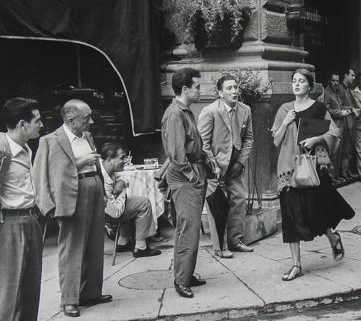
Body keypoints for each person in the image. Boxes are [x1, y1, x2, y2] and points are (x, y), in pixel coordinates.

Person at [271, 69, 355, 281]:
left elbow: (334, 132)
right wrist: (285, 123)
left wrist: (316, 140)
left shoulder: (318, 108)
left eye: (301, 81)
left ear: (310, 86)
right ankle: (296, 265)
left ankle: (332, 236)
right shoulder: (284, 109)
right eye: (294, 81)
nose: (296, 84)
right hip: (289, 169)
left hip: (313, 167)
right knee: (291, 217)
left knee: (314, 212)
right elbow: (276, 140)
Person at [33, 99, 111, 317]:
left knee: (95, 244)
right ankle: (69, 300)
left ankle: (91, 293)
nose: (91, 121)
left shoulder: (87, 136)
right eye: (87, 118)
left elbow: (95, 165)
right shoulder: (50, 141)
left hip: (93, 189)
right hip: (70, 196)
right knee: (72, 248)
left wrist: (103, 191)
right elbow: (39, 176)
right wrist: (47, 206)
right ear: (70, 119)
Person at [161, 67, 208, 298]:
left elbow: (191, 145)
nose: (201, 90)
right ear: (185, 89)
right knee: (187, 229)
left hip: (192, 174)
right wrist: (194, 176)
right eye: (198, 87)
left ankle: (186, 273)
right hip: (185, 177)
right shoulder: (175, 114)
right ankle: (182, 280)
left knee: (189, 228)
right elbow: (177, 155)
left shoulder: (184, 111)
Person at [198, 74, 254, 258]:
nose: (234, 91)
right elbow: (203, 143)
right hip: (215, 167)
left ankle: (236, 240)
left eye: (236, 87)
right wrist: (213, 166)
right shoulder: (210, 111)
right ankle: (220, 247)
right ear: (220, 93)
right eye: (229, 88)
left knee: (238, 200)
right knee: (218, 206)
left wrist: (240, 162)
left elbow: (249, 138)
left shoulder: (245, 110)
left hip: (235, 165)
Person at [0, 98, 43, 321]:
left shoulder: (26, 149)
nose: (41, 124)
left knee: (30, 288)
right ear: (22, 124)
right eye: (37, 120)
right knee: (10, 291)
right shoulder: (2, 148)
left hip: (30, 219)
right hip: (10, 224)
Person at [99, 142, 161, 258]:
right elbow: (116, 213)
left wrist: (121, 182)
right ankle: (141, 247)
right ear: (109, 159)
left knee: (130, 203)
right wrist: (122, 192)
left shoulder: (106, 167)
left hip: (108, 210)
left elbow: (124, 176)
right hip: (107, 217)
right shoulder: (102, 177)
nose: (125, 161)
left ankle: (123, 241)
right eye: (121, 158)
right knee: (144, 203)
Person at [323, 73, 353, 182]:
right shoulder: (327, 92)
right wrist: (340, 112)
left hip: (341, 126)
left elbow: (341, 104)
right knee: (333, 153)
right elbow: (327, 110)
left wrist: (346, 110)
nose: (336, 83)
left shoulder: (336, 92)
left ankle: (336, 175)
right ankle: (331, 177)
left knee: (339, 152)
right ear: (329, 81)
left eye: (337, 81)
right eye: (333, 81)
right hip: (333, 126)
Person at [338, 69, 358, 179]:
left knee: (349, 147)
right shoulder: (341, 89)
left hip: (351, 122)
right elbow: (339, 105)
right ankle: (344, 171)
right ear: (346, 75)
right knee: (346, 148)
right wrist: (351, 109)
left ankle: (347, 170)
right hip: (345, 123)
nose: (353, 78)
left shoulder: (348, 89)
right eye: (352, 75)